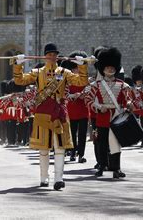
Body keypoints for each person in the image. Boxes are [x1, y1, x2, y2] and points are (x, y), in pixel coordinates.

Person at [13, 43, 91, 190]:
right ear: (45, 56)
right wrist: (18, 65)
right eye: (49, 54)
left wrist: (82, 66)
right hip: (43, 113)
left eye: (54, 54)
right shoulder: (37, 72)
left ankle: (58, 178)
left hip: (60, 112)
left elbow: (82, 81)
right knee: (44, 148)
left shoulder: (64, 72)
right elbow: (20, 80)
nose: (52, 57)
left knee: (60, 147)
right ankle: (44, 178)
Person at [84, 47, 133, 179]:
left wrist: (129, 104)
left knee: (115, 144)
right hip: (102, 117)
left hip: (116, 116)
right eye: (108, 67)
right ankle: (101, 166)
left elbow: (127, 99)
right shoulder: (96, 85)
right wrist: (99, 107)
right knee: (102, 143)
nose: (110, 70)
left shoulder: (122, 85)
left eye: (112, 67)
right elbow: (88, 100)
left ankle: (116, 168)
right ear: (103, 68)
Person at [63, 50, 89, 163]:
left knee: (82, 134)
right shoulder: (68, 81)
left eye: (78, 68)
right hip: (72, 110)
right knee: (72, 133)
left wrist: (84, 95)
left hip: (83, 110)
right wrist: (74, 95)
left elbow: (89, 92)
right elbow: (65, 94)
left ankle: (81, 154)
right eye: (75, 68)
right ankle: (73, 152)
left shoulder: (85, 80)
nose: (77, 70)